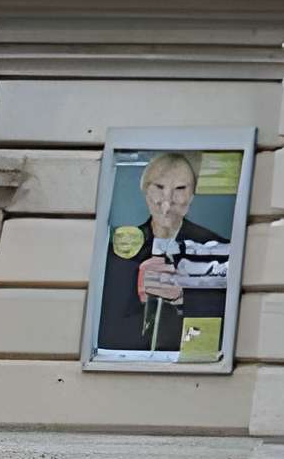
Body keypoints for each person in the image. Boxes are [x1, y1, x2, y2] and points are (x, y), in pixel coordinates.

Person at [95, 150, 233, 359]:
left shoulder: (217, 247)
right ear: (145, 191)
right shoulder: (116, 248)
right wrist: (135, 281)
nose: (167, 201)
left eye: (179, 189)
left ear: (192, 195)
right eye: (159, 187)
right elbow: (105, 318)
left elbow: (228, 313)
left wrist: (183, 296)